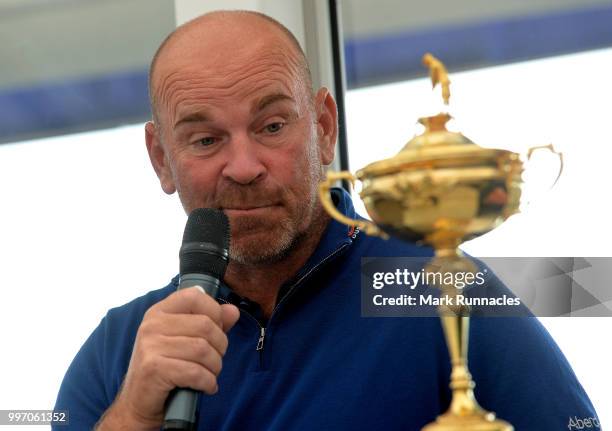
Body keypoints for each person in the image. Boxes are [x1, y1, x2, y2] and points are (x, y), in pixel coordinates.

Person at [54, 10, 599, 430]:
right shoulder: (119, 348)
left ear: (323, 127)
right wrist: (132, 414)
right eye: (205, 139)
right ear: (160, 159)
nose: (243, 168)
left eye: (271, 126)